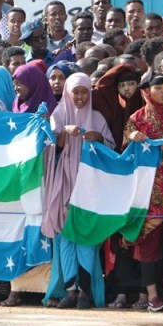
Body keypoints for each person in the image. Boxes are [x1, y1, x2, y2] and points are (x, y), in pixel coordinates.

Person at [43, 74, 114, 308]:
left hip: (89, 186)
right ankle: (70, 291)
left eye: (84, 92)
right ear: (68, 93)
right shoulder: (59, 115)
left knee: (86, 237)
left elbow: (111, 151)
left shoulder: (97, 117)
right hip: (64, 185)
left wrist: (99, 138)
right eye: (76, 92)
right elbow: (49, 149)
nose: (81, 97)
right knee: (66, 237)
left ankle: (85, 291)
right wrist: (64, 132)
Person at [124, 73, 163, 311]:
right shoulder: (136, 119)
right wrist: (132, 137)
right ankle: (152, 295)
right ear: (147, 91)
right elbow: (126, 154)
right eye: (159, 88)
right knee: (148, 244)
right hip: (147, 191)